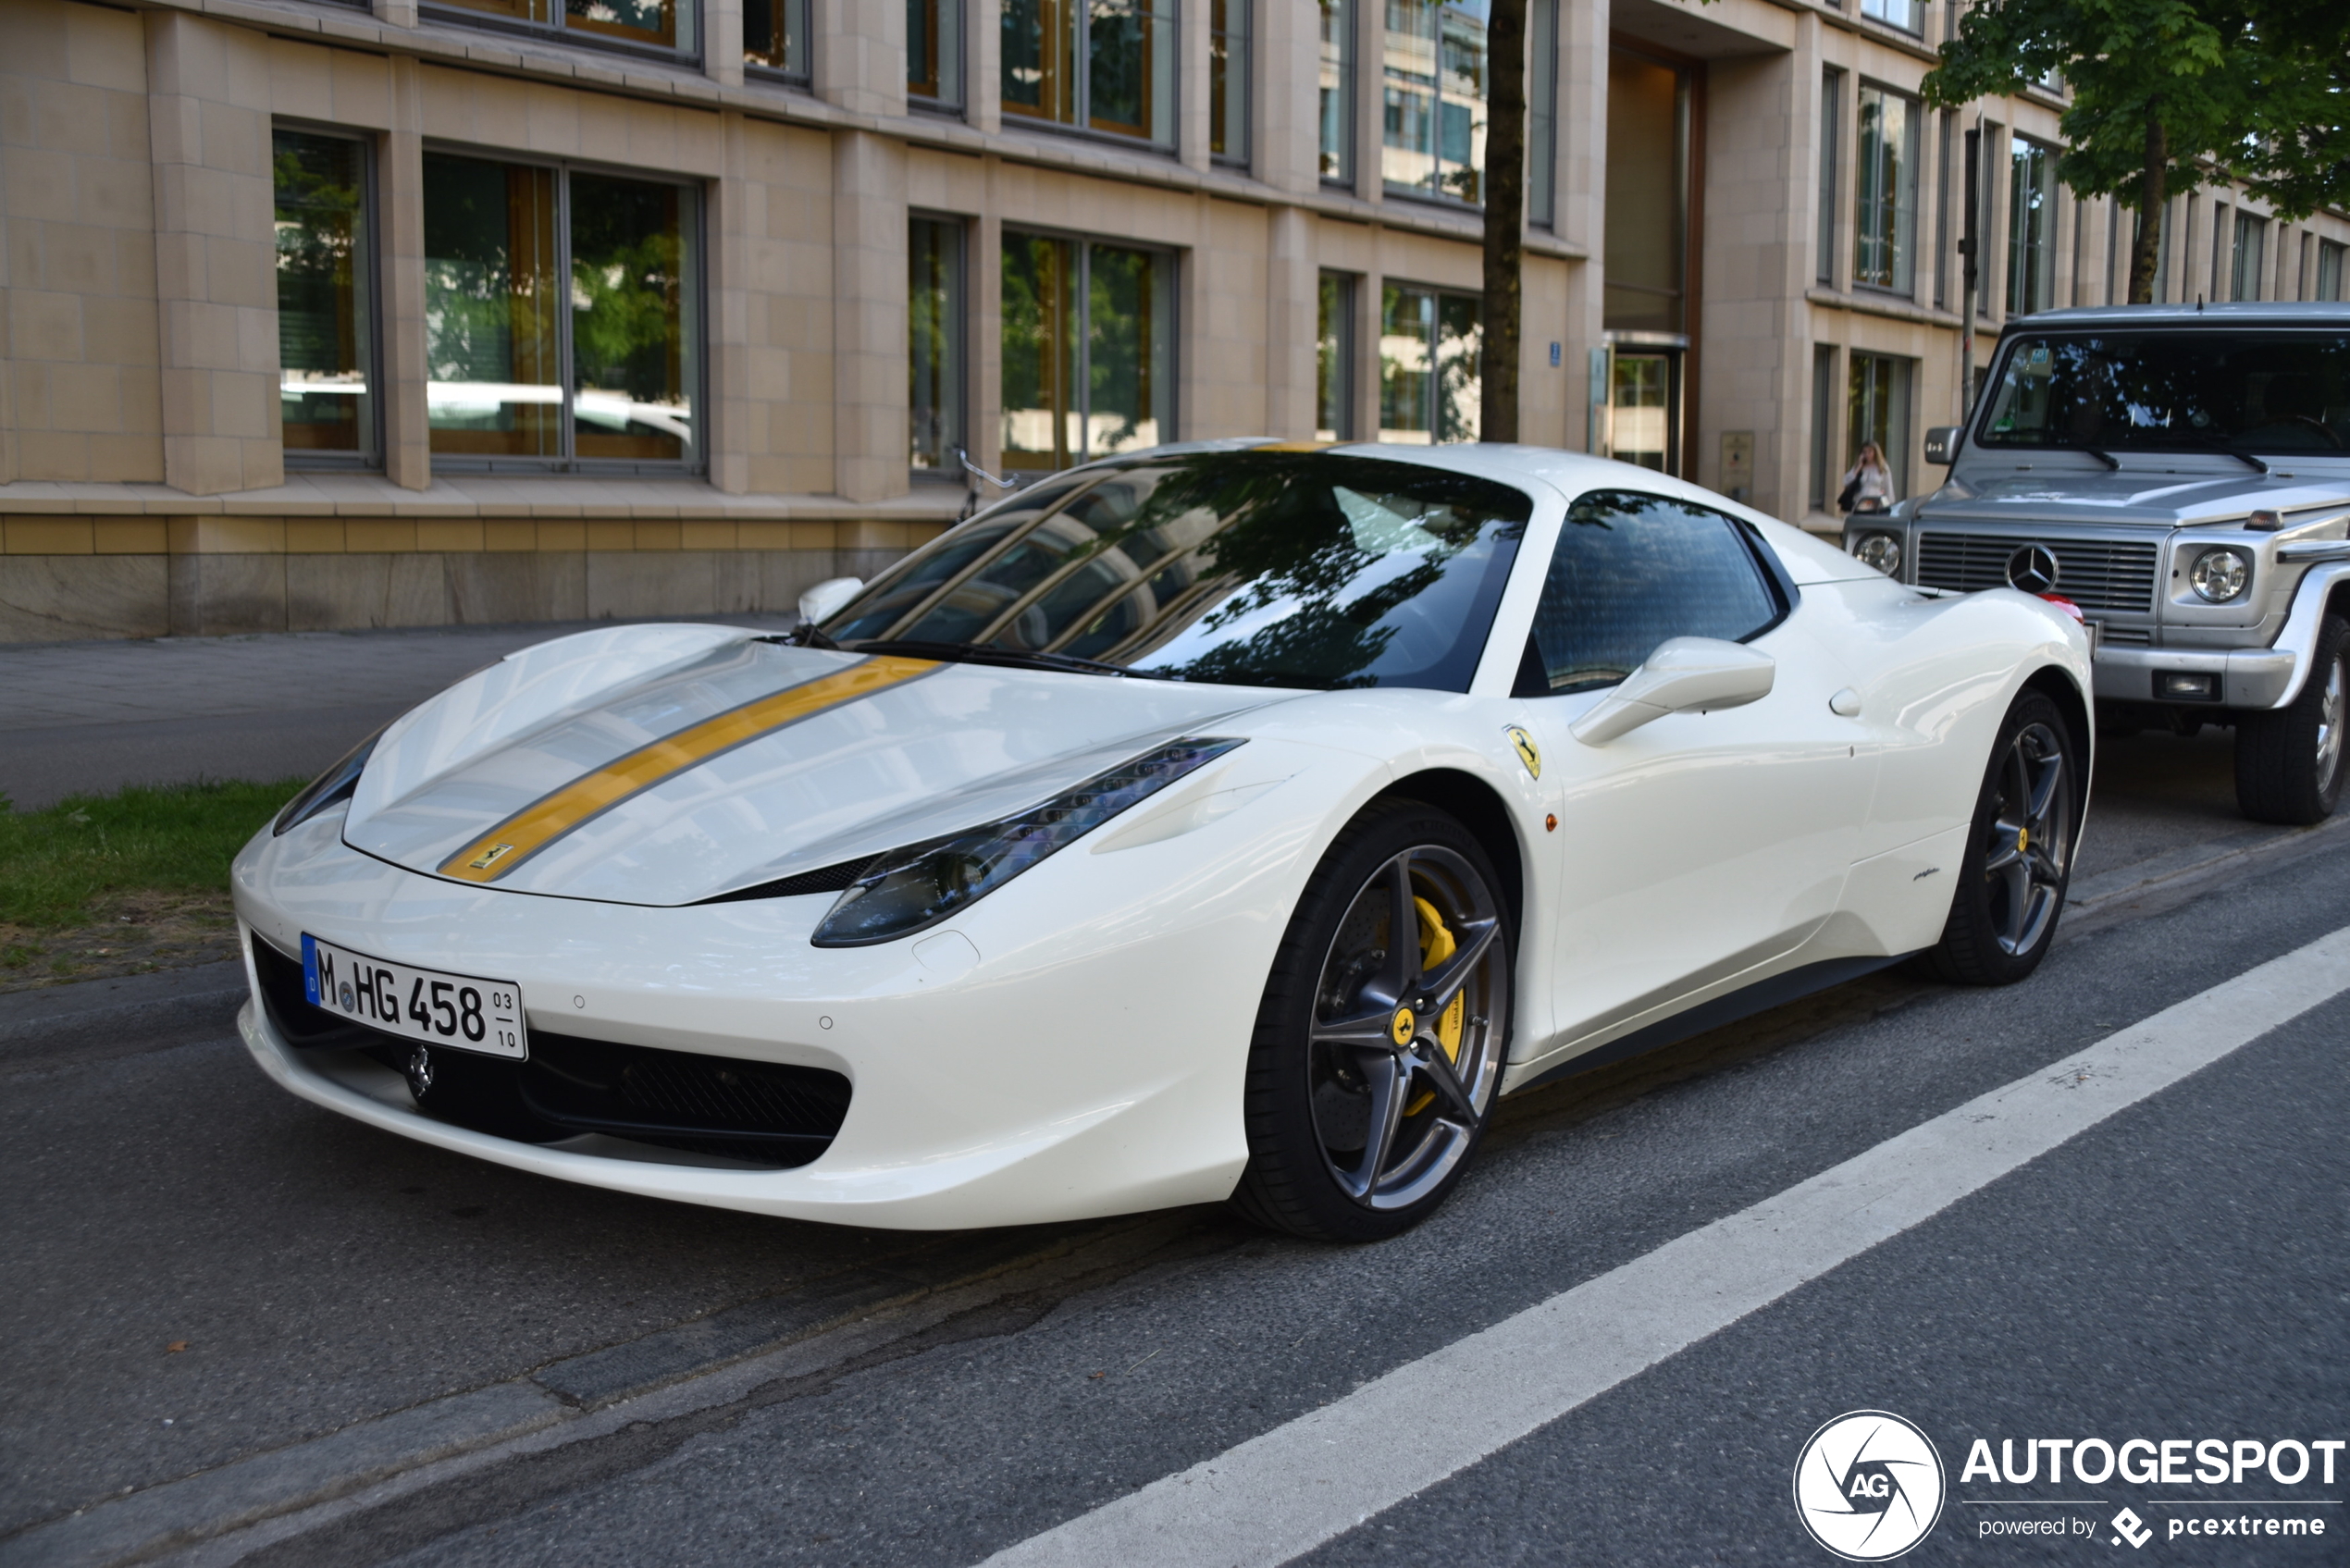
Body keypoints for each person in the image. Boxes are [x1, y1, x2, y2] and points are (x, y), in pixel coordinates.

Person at [1839, 442, 1894, 514]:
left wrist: (1889, 505)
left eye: (1870, 451)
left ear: (1875, 452)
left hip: (1875, 502)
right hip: (1860, 501)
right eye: (1864, 452)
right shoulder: (1860, 466)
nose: (1867, 455)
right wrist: (1858, 467)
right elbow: (1846, 481)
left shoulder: (1882, 467)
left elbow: (1888, 487)